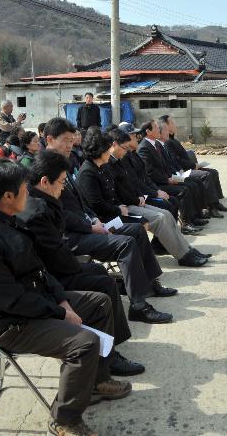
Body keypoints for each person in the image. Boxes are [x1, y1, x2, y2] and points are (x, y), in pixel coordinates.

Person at [0, 160, 131, 436]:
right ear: (8, 197)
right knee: (84, 343)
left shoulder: (12, 221)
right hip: (8, 324)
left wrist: (62, 301)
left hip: (33, 303)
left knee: (99, 302)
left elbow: (39, 269)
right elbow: (11, 301)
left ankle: (97, 380)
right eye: (25, 189)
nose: (30, 193)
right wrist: (61, 313)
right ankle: (65, 420)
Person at [18, 150, 144, 376]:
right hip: (47, 276)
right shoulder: (37, 210)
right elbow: (54, 255)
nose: (64, 187)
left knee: (98, 272)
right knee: (102, 284)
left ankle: (109, 344)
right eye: (61, 182)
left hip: (54, 265)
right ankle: (108, 356)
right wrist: (75, 267)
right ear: (45, 181)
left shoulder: (43, 200)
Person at [45, 118, 174, 324]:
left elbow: (80, 202)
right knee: (125, 243)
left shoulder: (64, 164)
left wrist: (93, 218)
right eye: (65, 140)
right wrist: (91, 225)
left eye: (72, 140)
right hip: (70, 236)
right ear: (49, 139)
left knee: (137, 231)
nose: (70, 145)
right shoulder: (45, 169)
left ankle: (150, 283)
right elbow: (57, 212)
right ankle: (138, 305)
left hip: (87, 225)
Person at [107, 128, 210, 266]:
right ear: (114, 144)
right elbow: (122, 190)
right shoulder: (110, 163)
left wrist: (141, 196)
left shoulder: (122, 158)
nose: (136, 138)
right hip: (125, 206)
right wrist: (140, 197)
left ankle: (187, 250)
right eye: (132, 136)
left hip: (135, 199)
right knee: (161, 216)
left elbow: (136, 182)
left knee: (167, 213)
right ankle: (182, 255)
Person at [138, 120, 208, 231]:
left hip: (167, 179)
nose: (158, 130)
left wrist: (174, 176)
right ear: (148, 131)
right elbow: (149, 172)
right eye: (155, 127)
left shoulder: (155, 144)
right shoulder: (144, 147)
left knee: (190, 184)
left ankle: (193, 217)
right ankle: (185, 223)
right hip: (157, 184)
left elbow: (165, 165)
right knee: (184, 190)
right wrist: (168, 180)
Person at [157, 118, 224, 218]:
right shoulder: (166, 143)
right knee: (205, 175)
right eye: (172, 123)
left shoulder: (172, 140)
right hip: (184, 170)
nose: (175, 125)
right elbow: (176, 160)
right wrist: (192, 166)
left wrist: (194, 165)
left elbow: (175, 160)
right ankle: (210, 207)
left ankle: (215, 203)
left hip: (184, 169)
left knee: (213, 172)